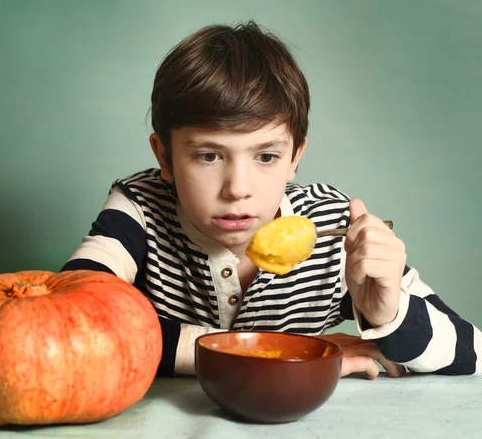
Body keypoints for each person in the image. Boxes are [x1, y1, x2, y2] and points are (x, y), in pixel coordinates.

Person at [61, 21, 481, 378]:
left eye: (266, 156)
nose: (237, 187)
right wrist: (287, 354)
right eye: (208, 155)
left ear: (295, 158)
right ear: (165, 157)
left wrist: (390, 315)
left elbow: (474, 354)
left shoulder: (333, 227)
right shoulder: (139, 207)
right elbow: (73, 325)